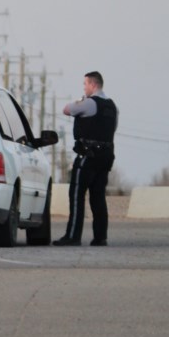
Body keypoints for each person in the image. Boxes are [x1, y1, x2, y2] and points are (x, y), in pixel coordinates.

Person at [53, 71, 118, 247]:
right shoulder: (112, 106)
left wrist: (79, 101)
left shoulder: (89, 103)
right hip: (105, 157)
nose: (84, 87)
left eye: (85, 84)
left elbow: (66, 109)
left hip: (88, 156)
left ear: (93, 85)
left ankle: (73, 236)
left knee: (76, 194)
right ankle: (100, 237)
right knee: (98, 198)